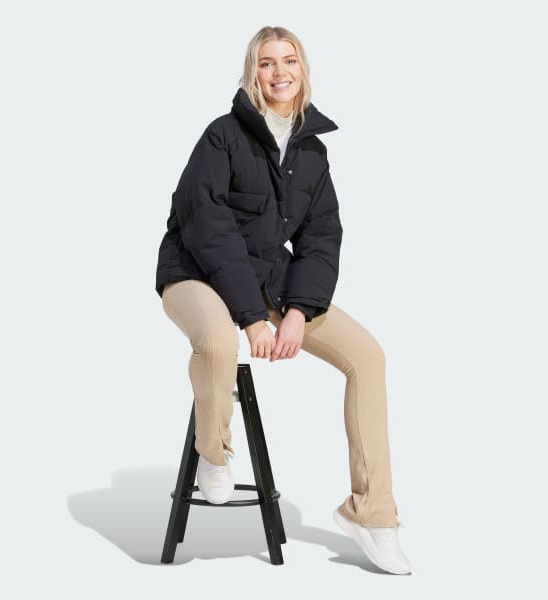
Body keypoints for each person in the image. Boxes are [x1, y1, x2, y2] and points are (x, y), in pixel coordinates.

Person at [155, 26, 411, 575]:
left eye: (288, 60)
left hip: (266, 276)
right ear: (253, 72)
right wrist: (253, 319)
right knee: (218, 340)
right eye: (267, 62)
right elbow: (209, 230)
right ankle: (213, 451)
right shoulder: (222, 136)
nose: (279, 72)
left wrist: (297, 311)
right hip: (193, 270)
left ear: (302, 70)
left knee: (368, 357)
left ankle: (372, 513)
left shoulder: (312, 151)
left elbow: (321, 239)